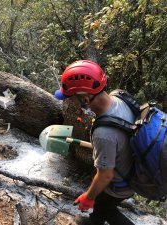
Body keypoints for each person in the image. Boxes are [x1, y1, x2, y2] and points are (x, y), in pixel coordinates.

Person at [55, 60, 135, 225]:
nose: (71, 102)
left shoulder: (103, 133)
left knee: (104, 209)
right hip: (131, 171)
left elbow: (105, 175)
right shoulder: (119, 98)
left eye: (72, 98)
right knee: (100, 212)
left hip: (118, 186)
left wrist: (88, 197)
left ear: (85, 99)